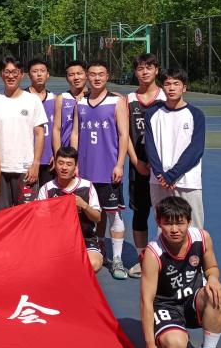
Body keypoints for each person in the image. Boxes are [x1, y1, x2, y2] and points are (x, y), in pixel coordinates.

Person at [140, 196, 221, 348]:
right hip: (166, 306)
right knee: (176, 343)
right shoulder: (153, 254)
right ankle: (171, 332)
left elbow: (211, 268)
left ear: (189, 222)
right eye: (168, 223)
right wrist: (150, 344)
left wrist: (213, 279)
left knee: (216, 295)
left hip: (193, 299)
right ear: (158, 222)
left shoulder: (202, 238)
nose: (174, 230)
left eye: (180, 223)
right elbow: (146, 300)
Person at [74, 60, 131, 279]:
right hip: (86, 170)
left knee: (114, 213)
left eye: (101, 74)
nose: (97, 78)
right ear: (87, 77)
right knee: (89, 213)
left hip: (108, 169)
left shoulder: (116, 102)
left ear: (107, 76)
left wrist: (119, 164)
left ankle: (117, 259)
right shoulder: (81, 102)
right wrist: (76, 162)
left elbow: (124, 135)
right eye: (93, 74)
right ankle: (97, 248)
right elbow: (76, 133)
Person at [0, 57, 47, 209]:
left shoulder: (33, 100)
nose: (11, 76)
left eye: (15, 72)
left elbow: (39, 134)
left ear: (21, 74)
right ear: (1, 74)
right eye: (7, 72)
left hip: (25, 169)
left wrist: (35, 164)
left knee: (26, 215)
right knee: (1, 216)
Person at [144, 68, 207, 229]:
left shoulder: (196, 115)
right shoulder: (152, 114)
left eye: (176, 84)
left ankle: (194, 249)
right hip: (159, 181)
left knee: (193, 228)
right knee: (163, 226)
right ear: (162, 87)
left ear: (184, 88)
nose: (171, 88)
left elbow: (196, 150)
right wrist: (161, 175)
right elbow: (150, 147)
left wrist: (171, 175)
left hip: (187, 181)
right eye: (167, 84)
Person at [126, 53, 167, 278]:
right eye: (140, 68)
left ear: (156, 70)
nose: (144, 72)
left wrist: (162, 165)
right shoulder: (129, 99)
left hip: (163, 169)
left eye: (149, 67)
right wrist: (136, 161)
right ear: (135, 72)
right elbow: (124, 135)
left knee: (165, 213)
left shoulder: (166, 97)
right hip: (139, 166)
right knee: (140, 213)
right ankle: (142, 258)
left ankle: (164, 258)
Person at [37, 146, 103, 272]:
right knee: (43, 265)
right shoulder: (46, 189)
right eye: (60, 163)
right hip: (56, 239)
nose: (64, 168)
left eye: (69, 164)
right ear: (55, 164)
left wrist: (84, 205)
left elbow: (97, 218)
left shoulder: (87, 186)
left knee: (93, 264)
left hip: (85, 238)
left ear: (76, 166)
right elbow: (40, 221)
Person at [26, 58, 56, 186]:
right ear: (29, 75)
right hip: (27, 160)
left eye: (42, 71)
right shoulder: (23, 98)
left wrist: (57, 154)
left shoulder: (55, 99)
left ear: (48, 75)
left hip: (49, 160)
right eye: (35, 71)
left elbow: (58, 130)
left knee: (47, 197)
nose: (39, 74)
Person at [55, 60, 87, 153]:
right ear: (66, 78)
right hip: (67, 152)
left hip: (89, 150)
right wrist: (57, 153)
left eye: (79, 73)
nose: (76, 77)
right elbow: (56, 129)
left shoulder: (94, 98)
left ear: (86, 75)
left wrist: (87, 93)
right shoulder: (61, 98)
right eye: (71, 75)